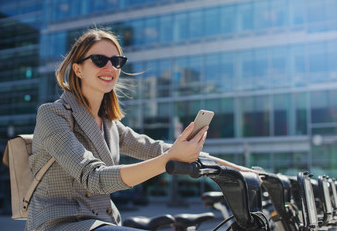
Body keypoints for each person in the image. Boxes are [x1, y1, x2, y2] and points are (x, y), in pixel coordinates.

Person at [26, 28, 256, 231]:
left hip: (103, 221)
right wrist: (169, 158)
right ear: (77, 69)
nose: (110, 67)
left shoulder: (110, 126)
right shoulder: (52, 114)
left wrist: (244, 171)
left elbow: (159, 149)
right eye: (99, 60)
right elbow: (93, 178)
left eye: (116, 61)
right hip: (61, 224)